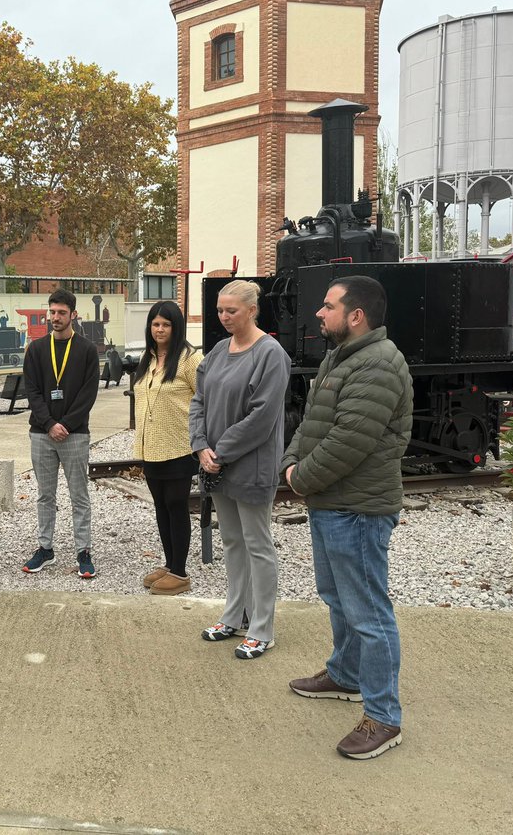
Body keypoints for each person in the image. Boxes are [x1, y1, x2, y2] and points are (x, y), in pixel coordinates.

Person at [281, 275, 412, 761]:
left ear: (356, 315)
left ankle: (383, 717)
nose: (319, 312)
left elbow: (349, 441)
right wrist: (292, 463)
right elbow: (312, 422)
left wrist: (300, 477)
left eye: (328, 305)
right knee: (337, 595)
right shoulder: (344, 356)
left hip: (356, 508)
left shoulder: (377, 364)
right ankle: (346, 675)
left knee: (369, 613)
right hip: (332, 502)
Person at [189, 279, 290, 660]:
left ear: (252, 310)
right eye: (220, 310)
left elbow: (262, 417)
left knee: (258, 545)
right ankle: (233, 616)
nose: (224, 317)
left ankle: (262, 628)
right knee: (232, 541)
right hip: (215, 464)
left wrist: (221, 451)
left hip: (250, 466)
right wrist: (200, 445)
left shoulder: (271, 354)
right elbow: (198, 400)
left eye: (231, 310)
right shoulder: (217, 351)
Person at [22, 288, 101, 578]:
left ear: (73, 315)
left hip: (75, 433)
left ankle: (83, 551)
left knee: (79, 495)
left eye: (61, 313)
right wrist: (48, 424)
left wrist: (65, 424)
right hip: (42, 433)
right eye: (52, 312)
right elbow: (31, 391)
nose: (55, 317)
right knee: (45, 495)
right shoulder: (37, 349)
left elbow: (88, 394)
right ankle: (45, 548)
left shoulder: (87, 350)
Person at [133, 301, 202, 596]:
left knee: (177, 506)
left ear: (176, 327)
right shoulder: (146, 359)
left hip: (179, 446)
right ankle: (169, 564)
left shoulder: (190, 360)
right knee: (161, 507)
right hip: (151, 447)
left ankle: (180, 572)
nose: (159, 329)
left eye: (166, 324)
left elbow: (207, 400)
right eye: (155, 324)